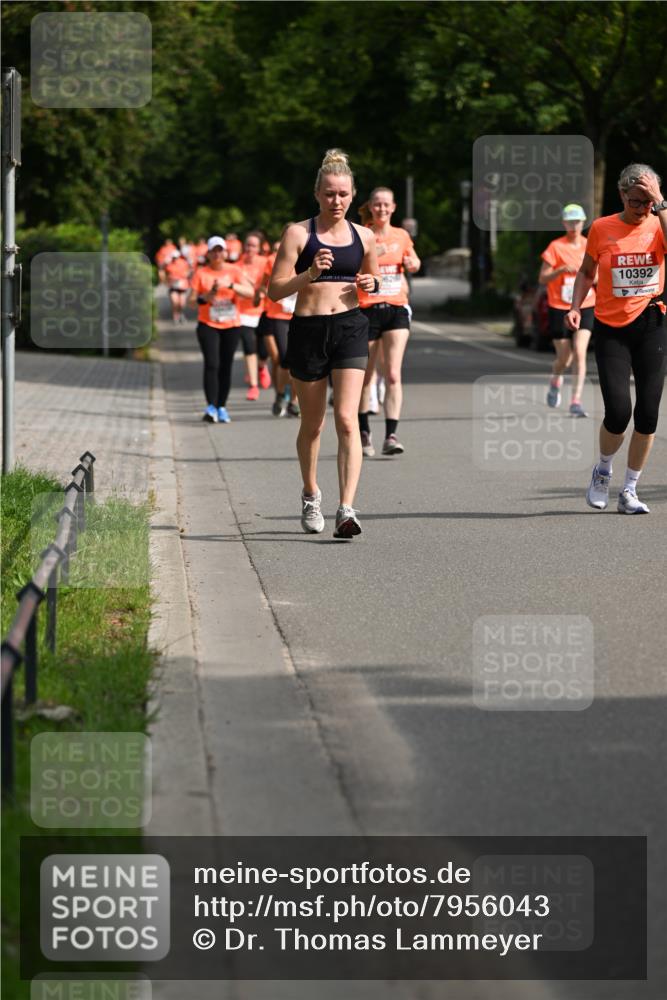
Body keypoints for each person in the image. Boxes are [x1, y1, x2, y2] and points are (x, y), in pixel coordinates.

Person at [268, 148, 379, 538]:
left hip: (350, 327)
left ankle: (346, 508)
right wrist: (310, 274)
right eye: (330, 194)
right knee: (313, 425)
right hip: (309, 329)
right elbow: (275, 290)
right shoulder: (299, 233)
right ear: (318, 194)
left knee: (348, 419)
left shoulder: (365, 236)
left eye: (343, 194)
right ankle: (311, 492)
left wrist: (371, 284)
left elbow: (376, 281)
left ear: (353, 196)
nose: (337, 201)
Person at [566, 163, 667, 514]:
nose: (643, 209)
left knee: (649, 413)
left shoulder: (659, 222)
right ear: (622, 195)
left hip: (652, 322)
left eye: (648, 202)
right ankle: (603, 471)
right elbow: (585, 272)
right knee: (619, 411)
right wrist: (576, 305)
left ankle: (630, 490)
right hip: (612, 329)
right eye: (637, 201)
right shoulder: (602, 228)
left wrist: (660, 203)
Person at [356, 187, 420, 456]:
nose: (382, 209)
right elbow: (350, 268)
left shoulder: (402, 235)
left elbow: (412, 260)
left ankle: (391, 435)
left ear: (393, 208)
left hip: (395, 307)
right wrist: (375, 253)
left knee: (393, 373)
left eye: (386, 205)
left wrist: (414, 262)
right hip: (367, 308)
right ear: (370, 207)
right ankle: (364, 432)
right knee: (365, 376)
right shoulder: (361, 235)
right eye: (377, 204)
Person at [188, 236, 254, 423]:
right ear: (208, 254)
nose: (217, 254)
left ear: (225, 252)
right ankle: (211, 407)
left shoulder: (234, 270)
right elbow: (191, 301)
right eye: (214, 251)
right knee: (212, 364)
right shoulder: (201, 273)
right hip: (208, 324)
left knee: (226, 366)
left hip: (231, 325)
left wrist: (231, 285)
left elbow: (250, 293)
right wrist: (206, 296)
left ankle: (221, 406)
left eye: (220, 250)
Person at [540, 204, 596, 416]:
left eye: (578, 222)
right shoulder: (555, 247)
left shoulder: (589, 244)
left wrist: (588, 276)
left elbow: (598, 275)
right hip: (559, 307)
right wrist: (561, 270)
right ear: (564, 223)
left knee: (581, 352)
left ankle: (576, 401)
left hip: (586, 304)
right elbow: (542, 278)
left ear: (583, 223)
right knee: (565, 358)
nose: (574, 226)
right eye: (570, 222)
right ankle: (556, 378)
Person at [262, 239, 300, 417]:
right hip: (278, 316)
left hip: (301, 314)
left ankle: (294, 400)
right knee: (285, 358)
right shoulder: (273, 260)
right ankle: (280, 394)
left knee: (300, 361)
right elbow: (263, 283)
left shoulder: (306, 258)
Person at [238, 231, 272, 400]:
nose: (249, 248)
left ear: (259, 248)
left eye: (253, 245)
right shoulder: (238, 265)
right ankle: (253, 385)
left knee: (263, 350)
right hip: (244, 312)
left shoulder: (266, 263)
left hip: (265, 310)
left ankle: (261, 366)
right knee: (249, 346)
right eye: (247, 244)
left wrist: (261, 290)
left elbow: (271, 285)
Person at [163, 249, 191, 324]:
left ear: (179, 257)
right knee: (175, 301)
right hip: (173, 286)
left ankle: (181, 313)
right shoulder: (169, 265)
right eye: (173, 257)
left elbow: (189, 271)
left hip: (183, 286)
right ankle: (175, 316)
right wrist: (168, 280)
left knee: (182, 303)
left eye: (176, 257)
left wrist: (184, 276)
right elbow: (165, 273)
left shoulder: (184, 263)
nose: (175, 259)